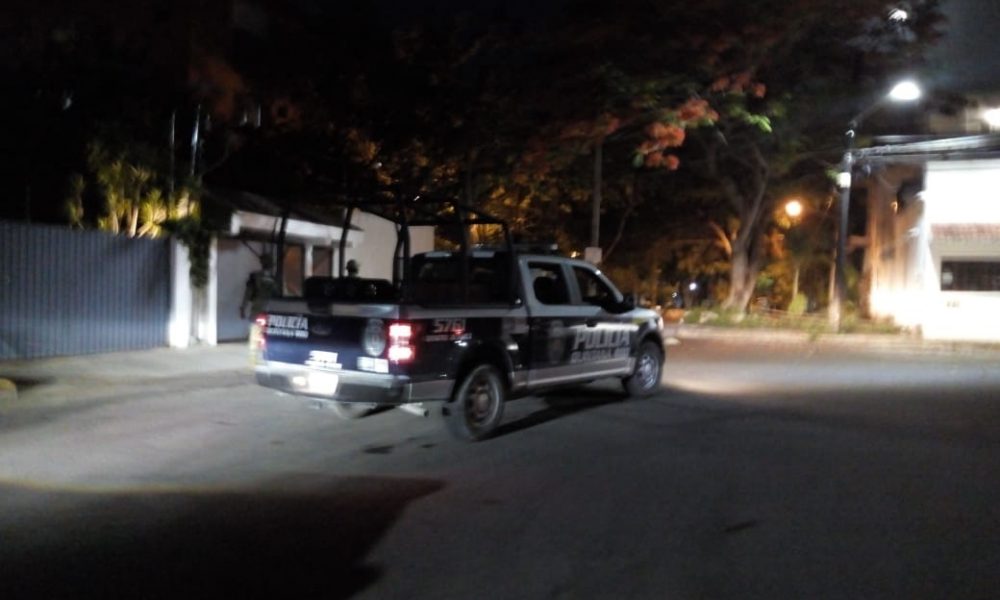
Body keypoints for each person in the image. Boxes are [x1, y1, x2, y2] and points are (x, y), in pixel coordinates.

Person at [240, 254, 278, 319]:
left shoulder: (256, 276)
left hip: (262, 305)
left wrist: (243, 308)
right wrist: (243, 308)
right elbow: (248, 293)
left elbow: (248, 293)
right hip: (264, 305)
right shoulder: (272, 278)